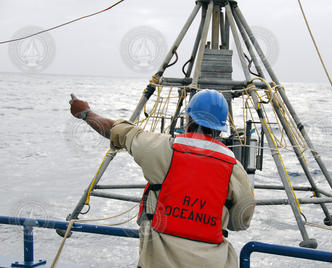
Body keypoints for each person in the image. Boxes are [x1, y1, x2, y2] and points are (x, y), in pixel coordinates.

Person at [69, 89, 256, 268]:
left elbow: (116, 131)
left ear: (188, 118)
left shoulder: (162, 149)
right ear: (221, 128)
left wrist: (85, 113)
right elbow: (241, 221)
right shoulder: (234, 169)